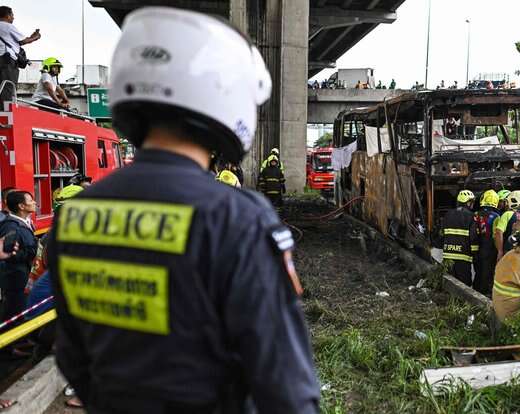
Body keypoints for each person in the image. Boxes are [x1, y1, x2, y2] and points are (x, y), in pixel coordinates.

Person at [47, 8, 319, 412]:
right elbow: (286, 387)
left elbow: (71, 356)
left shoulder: (73, 216)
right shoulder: (236, 218)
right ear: (223, 93)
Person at [0, 190, 36, 329]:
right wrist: (33, 251)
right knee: (13, 312)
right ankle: (10, 346)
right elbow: (8, 253)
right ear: (21, 206)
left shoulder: (23, 222)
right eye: (31, 200)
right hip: (15, 277)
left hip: (22, 274)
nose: (34, 202)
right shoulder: (10, 225)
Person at [0, 6, 40, 104]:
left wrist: (31, 37)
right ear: (7, 15)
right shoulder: (7, 26)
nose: (13, 17)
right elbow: (23, 41)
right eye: (12, 15)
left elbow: (16, 42)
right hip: (7, 62)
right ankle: (5, 115)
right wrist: (35, 37)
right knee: (7, 88)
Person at [442, 190, 478, 286]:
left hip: (448, 256)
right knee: (464, 285)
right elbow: (473, 237)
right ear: (468, 202)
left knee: (449, 284)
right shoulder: (471, 216)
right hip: (463, 257)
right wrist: (475, 253)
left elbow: (441, 233)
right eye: (472, 202)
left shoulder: (448, 214)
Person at [472, 190, 500, 295]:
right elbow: (496, 234)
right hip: (489, 248)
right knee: (488, 272)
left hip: (476, 246)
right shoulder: (496, 216)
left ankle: (475, 290)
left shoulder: (475, 214)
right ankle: (484, 293)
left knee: (478, 271)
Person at [494, 190, 520, 260]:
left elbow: (498, 232)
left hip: (509, 251)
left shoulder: (507, 214)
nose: (506, 204)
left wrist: (500, 251)